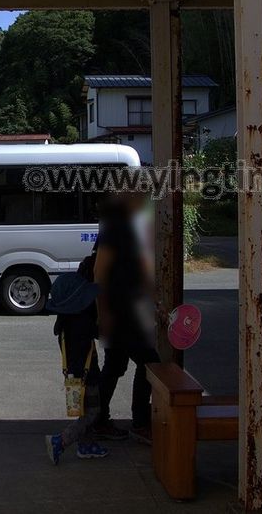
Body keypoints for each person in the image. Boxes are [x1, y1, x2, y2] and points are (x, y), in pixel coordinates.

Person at [89, 188, 160, 444]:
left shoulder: (132, 228)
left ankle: (98, 420)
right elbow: (100, 272)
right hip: (119, 312)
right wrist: (103, 312)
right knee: (150, 362)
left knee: (115, 366)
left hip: (129, 309)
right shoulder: (115, 229)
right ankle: (139, 422)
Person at [44, 254, 110, 465]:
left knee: (84, 412)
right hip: (86, 377)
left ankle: (86, 445)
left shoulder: (65, 323)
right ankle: (61, 440)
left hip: (73, 377)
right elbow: (99, 333)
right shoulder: (82, 324)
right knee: (92, 413)